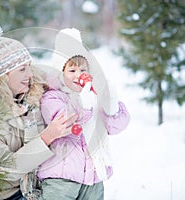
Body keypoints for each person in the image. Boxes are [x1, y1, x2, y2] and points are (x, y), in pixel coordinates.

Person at [0, 20, 78, 200]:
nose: (29, 74)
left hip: (44, 184)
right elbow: (5, 170)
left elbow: (62, 81)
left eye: (29, 66)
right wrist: (47, 137)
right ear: (2, 76)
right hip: (11, 194)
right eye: (22, 69)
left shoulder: (32, 89)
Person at [36, 28, 131, 200]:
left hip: (93, 176)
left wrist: (111, 107)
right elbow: (63, 120)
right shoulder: (53, 96)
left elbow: (114, 127)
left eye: (82, 70)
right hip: (61, 179)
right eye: (72, 71)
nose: (78, 76)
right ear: (60, 72)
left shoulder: (93, 96)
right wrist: (82, 104)